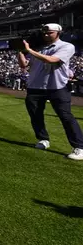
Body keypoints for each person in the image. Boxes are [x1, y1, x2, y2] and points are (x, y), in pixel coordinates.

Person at [18, 23, 83, 161]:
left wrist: (29, 50)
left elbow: (52, 60)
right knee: (35, 115)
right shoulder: (39, 48)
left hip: (57, 86)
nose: (46, 35)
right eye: (44, 33)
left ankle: (79, 147)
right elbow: (24, 65)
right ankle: (43, 139)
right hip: (35, 86)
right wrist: (20, 52)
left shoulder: (66, 46)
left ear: (58, 33)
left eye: (49, 33)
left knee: (65, 116)